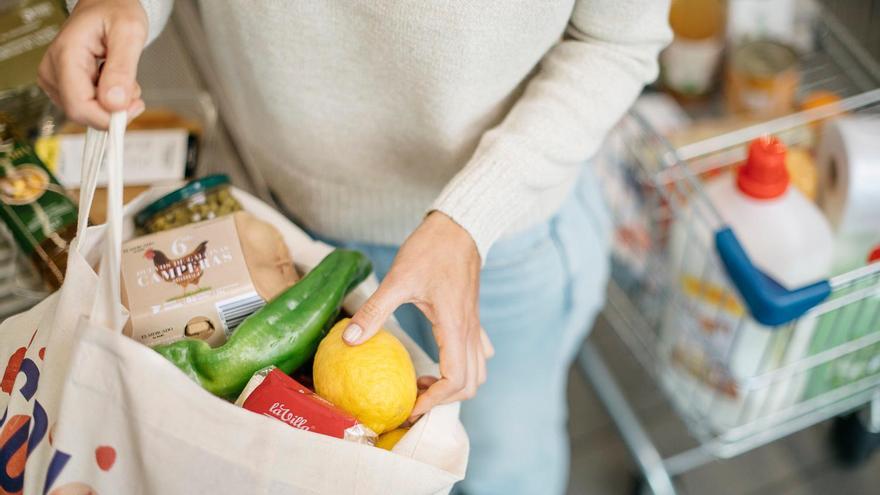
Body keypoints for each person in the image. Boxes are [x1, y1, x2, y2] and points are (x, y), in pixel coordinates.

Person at [39, 1, 671, 492]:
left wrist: (469, 216)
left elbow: (620, 37)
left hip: (499, 239)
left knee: (502, 463)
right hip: (275, 219)